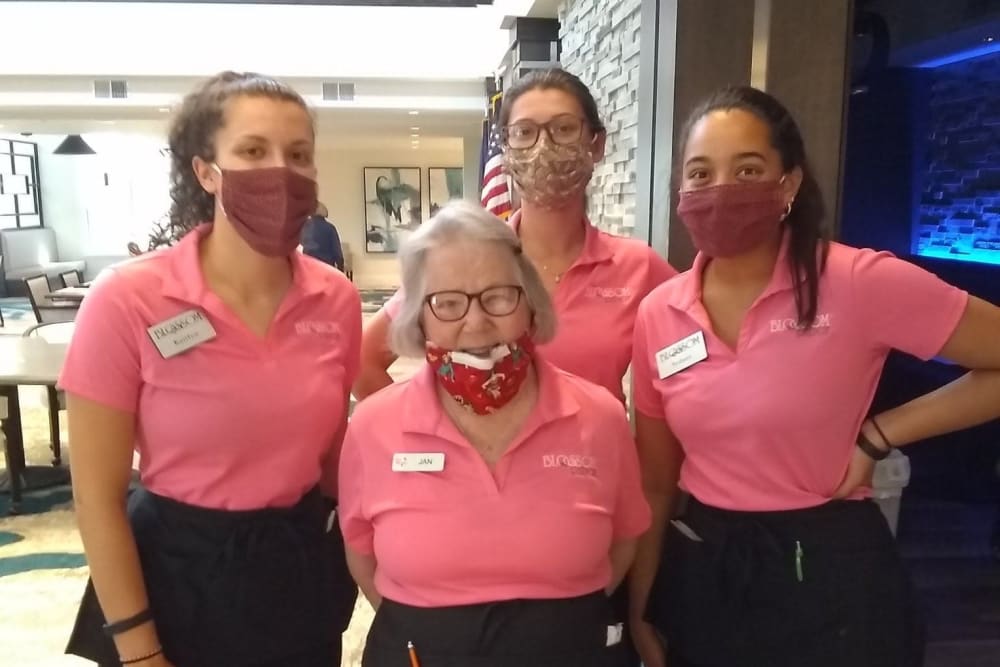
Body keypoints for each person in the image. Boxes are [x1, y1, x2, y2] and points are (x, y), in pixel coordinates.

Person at [627, 85, 1000, 667]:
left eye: (747, 169)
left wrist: (881, 433)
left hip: (832, 572)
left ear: (789, 184)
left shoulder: (857, 281)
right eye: (700, 174)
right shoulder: (659, 314)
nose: (719, 190)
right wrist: (640, 607)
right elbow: (655, 484)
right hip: (707, 570)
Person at [61, 71, 360, 667]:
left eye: (298, 155)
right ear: (206, 171)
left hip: (294, 565)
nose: (280, 170)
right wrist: (141, 651)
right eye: (252, 151)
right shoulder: (129, 298)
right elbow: (96, 498)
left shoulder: (336, 300)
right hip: (176, 570)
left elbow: (333, 459)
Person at [338, 201, 650, 667]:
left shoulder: (600, 417)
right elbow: (363, 557)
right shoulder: (372, 427)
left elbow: (624, 543)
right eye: (447, 303)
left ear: (530, 304)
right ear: (418, 318)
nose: (476, 321)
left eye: (498, 296)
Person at [354, 68, 677, 405]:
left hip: (588, 452)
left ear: (596, 145)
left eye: (564, 129)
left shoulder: (638, 267)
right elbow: (364, 361)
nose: (543, 146)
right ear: (506, 151)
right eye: (524, 132)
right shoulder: (464, 257)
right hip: (482, 458)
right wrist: (431, 434)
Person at [301, 201, 345, 272]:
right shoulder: (330, 228)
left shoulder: (305, 227)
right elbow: (338, 254)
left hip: (308, 268)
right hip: (327, 268)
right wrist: (341, 271)